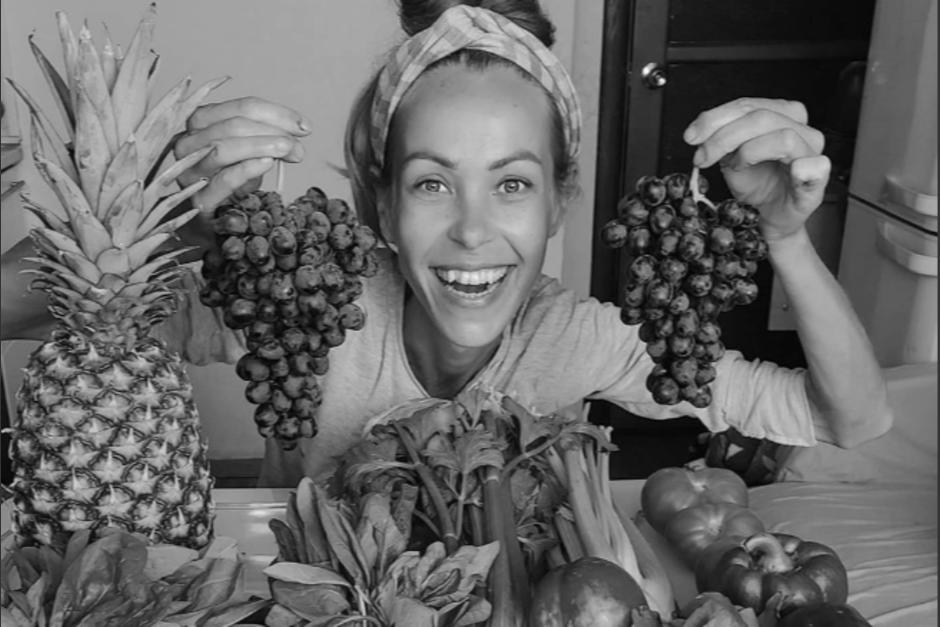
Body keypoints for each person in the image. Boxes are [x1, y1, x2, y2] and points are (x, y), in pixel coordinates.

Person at [1, 1, 891, 492]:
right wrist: (173, 229)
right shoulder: (303, 301)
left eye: (512, 184)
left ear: (558, 205)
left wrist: (785, 237)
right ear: (384, 208)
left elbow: (848, 418)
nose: (472, 229)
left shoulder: (576, 337)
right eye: (432, 183)